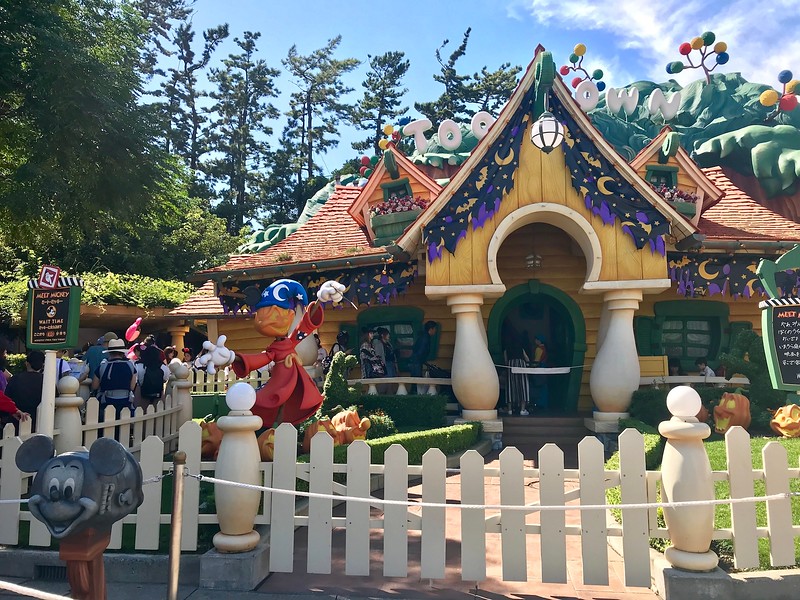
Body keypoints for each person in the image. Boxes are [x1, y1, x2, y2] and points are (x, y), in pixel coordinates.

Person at [91, 339, 137, 420]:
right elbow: (132, 387)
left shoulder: (103, 366)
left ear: (110, 352)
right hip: (125, 401)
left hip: (107, 401)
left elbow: (94, 386)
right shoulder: (130, 366)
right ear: (122, 352)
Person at [5, 351, 44, 431]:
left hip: (17, 421)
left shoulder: (15, 379)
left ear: (27, 363)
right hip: (41, 423)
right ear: (43, 365)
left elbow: (6, 398)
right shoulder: (47, 381)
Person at [504, 335, 531, 416]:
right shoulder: (521, 349)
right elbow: (527, 358)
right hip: (521, 367)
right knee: (523, 387)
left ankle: (509, 410)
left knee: (510, 388)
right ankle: (522, 409)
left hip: (511, 367)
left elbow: (505, 361)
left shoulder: (506, 350)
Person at [409, 321, 437, 393]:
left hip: (416, 361)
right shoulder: (425, 338)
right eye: (434, 329)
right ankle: (414, 395)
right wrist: (422, 360)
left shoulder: (424, 337)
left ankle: (414, 393)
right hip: (416, 362)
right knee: (417, 380)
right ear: (430, 329)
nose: (435, 331)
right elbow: (420, 351)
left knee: (415, 381)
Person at [530, 336, 549, 410]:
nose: (535, 341)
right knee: (544, 386)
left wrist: (531, 366)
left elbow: (537, 361)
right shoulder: (545, 348)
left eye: (536, 339)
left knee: (538, 386)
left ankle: (539, 403)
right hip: (544, 369)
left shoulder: (539, 349)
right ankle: (544, 403)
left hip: (539, 369)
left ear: (539, 340)